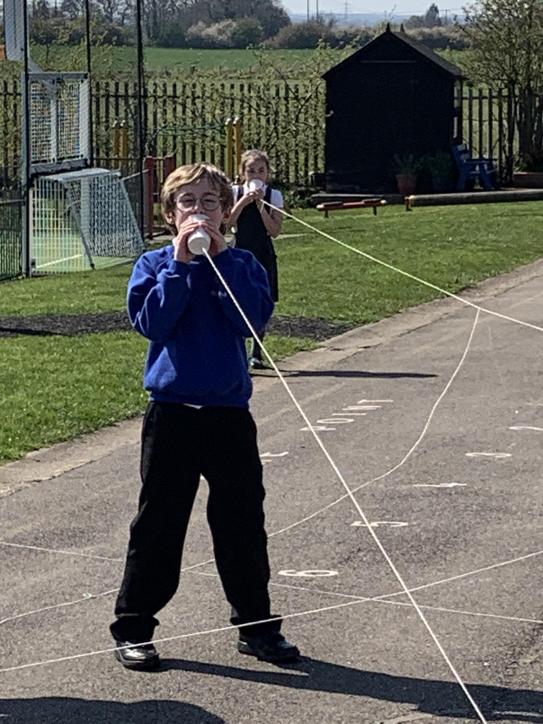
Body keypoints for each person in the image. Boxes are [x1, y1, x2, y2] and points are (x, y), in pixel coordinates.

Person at [110, 162, 299, 671]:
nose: (199, 211)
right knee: (159, 522)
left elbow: (250, 322)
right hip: (172, 413)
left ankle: (256, 627)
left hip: (227, 414)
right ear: (171, 215)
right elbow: (153, 323)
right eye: (188, 202)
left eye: (210, 202)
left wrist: (219, 263)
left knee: (242, 522)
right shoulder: (154, 265)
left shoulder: (243, 265)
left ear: (225, 213)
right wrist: (180, 266)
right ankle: (134, 627)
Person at [228, 149, 284, 370]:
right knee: (237, 300)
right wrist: (244, 201)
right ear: (243, 173)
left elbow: (275, 230)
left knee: (261, 302)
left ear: (267, 173)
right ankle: (238, 353)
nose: (256, 175)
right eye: (251, 171)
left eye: (261, 171)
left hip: (263, 253)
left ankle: (257, 353)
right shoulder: (235, 192)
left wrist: (261, 206)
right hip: (239, 252)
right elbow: (228, 223)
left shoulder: (274, 196)